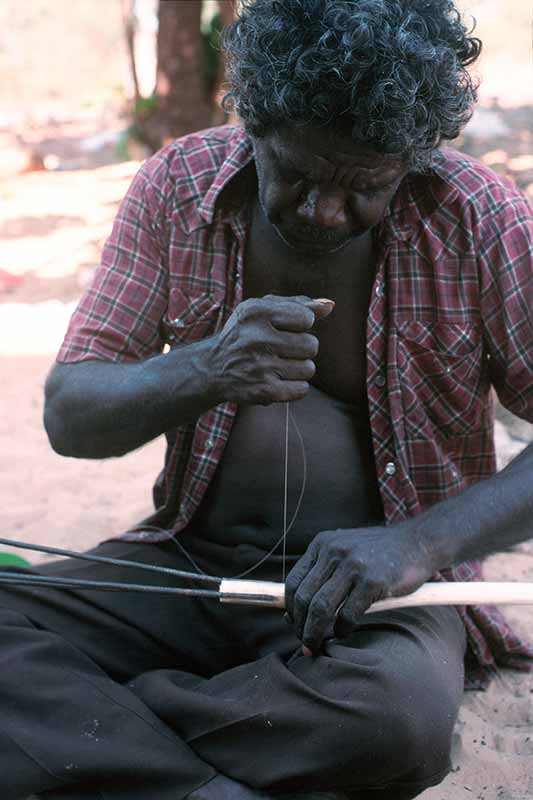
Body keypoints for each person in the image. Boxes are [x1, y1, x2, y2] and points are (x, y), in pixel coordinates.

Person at [2, 1, 532, 798]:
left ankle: (106, 735)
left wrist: (416, 545)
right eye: (296, 171)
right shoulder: (176, 186)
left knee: (393, 720)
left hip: (383, 601)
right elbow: (71, 415)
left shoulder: (477, 218)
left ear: (414, 158)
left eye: (365, 186)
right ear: (252, 120)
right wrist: (204, 367)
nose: (323, 211)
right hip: (189, 568)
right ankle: (204, 778)